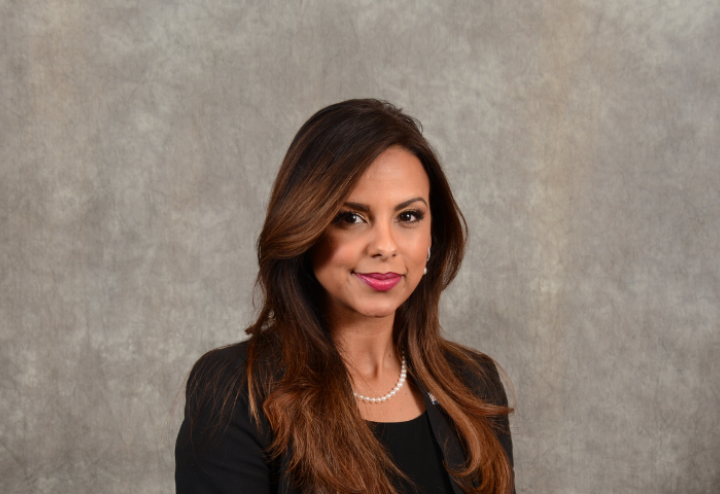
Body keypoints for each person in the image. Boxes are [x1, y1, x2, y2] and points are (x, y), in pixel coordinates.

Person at [175, 99, 515, 494]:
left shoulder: (474, 384)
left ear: (432, 237)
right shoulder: (237, 390)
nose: (385, 247)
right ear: (306, 226)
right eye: (350, 217)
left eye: (408, 216)